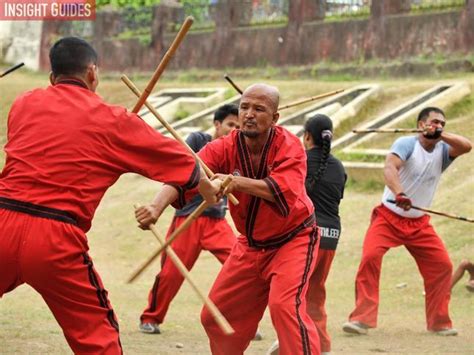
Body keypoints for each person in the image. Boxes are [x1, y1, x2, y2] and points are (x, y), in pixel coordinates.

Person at [0, 37, 222, 354]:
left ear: (52, 77)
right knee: (97, 337)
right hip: (54, 237)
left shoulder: (24, 104)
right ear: (93, 73)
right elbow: (181, 162)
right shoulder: (113, 121)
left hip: (2, 220)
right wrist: (208, 188)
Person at [136, 83, 321, 354]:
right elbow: (188, 171)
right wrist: (156, 207)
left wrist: (234, 182)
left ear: (275, 118)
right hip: (250, 246)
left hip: (294, 239)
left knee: (285, 307)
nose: (248, 114)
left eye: (259, 109)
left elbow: (281, 189)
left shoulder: (289, 146)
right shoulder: (225, 146)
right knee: (215, 316)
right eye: (244, 107)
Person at [342, 107, 472, 337]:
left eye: (442, 123)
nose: (438, 125)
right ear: (421, 124)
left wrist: (440, 134)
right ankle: (362, 318)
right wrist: (400, 193)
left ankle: (439, 322)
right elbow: (390, 167)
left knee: (442, 266)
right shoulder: (406, 143)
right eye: (433, 122)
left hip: (419, 223)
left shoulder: (443, 151)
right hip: (388, 216)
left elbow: (466, 146)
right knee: (370, 257)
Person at [139, 104, 239, 334]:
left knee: (241, 268)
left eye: (238, 127)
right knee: (170, 274)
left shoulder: (235, 150)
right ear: (217, 124)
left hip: (216, 221)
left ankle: (243, 319)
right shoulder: (196, 140)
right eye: (230, 125)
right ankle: (151, 318)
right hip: (187, 220)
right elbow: (178, 168)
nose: (234, 130)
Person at [266, 114, 347, 355]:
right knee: (315, 291)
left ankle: (298, 342)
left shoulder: (299, 161)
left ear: (307, 136)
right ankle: (320, 345)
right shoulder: (339, 166)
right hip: (331, 235)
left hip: (307, 236)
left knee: (294, 294)